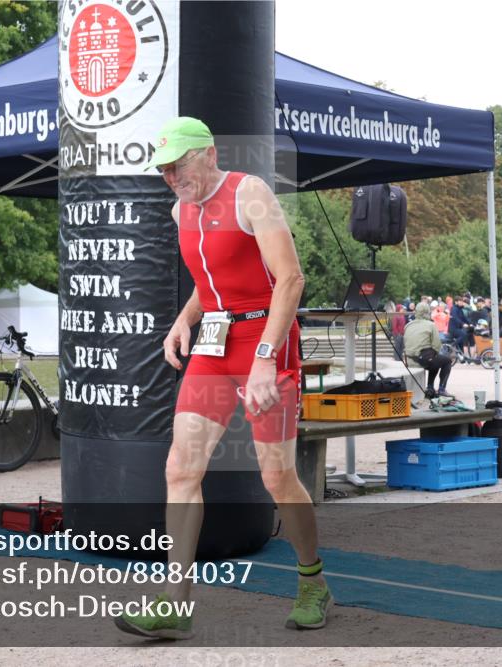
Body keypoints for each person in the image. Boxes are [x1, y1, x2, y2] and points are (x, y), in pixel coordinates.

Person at [115, 117, 329, 639]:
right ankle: (175, 604)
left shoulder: (249, 192)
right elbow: (212, 280)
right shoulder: (179, 208)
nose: (171, 176)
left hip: (266, 340)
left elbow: (290, 279)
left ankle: (312, 582)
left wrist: (263, 357)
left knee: (276, 475)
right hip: (214, 343)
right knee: (180, 468)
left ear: (209, 153)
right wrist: (183, 319)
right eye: (164, 169)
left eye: (179, 164)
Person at [404, 302, 452, 398]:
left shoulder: (408, 325)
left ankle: (430, 387)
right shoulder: (431, 325)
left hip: (409, 360)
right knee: (446, 361)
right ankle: (441, 389)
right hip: (423, 360)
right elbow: (437, 345)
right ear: (427, 312)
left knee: (434, 358)